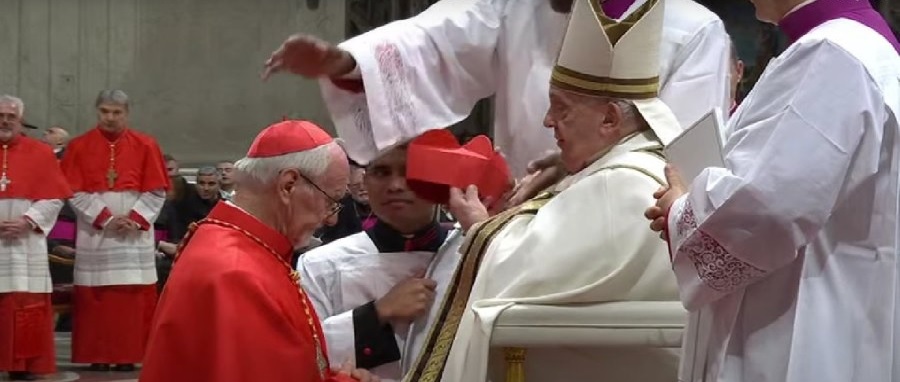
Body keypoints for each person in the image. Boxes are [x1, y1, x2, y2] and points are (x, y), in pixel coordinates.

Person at [362, 2, 681, 382]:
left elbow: (516, 276)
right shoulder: (618, 172)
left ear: (611, 119)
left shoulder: (623, 186)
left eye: (563, 108)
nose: (548, 121)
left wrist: (478, 227)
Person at [643, 0, 900, 382]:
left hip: (804, 351)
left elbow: (771, 206)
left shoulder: (834, 53)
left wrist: (681, 207)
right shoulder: (848, 47)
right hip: (839, 330)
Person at [120, 120, 383, 382]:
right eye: (331, 199)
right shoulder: (234, 268)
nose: (330, 217)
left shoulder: (245, 249)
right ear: (289, 184)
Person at [263, 0, 731, 177]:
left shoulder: (693, 28)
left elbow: (688, 154)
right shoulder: (516, 8)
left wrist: (584, 173)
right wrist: (345, 62)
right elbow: (434, 39)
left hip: (630, 232)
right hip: (520, 214)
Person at [299, 132, 508, 382]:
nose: (395, 185)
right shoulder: (323, 263)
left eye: (410, 173)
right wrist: (375, 314)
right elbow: (301, 357)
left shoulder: (477, 250)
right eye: (381, 172)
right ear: (362, 180)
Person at [61, 90, 169, 372]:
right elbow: (73, 191)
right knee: (96, 298)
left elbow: (157, 191)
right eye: (105, 112)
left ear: (126, 113)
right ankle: (97, 355)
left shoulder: (146, 145)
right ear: (97, 112)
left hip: (133, 235)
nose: (110, 118)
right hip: (96, 233)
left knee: (129, 298)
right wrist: (107, 218)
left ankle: (127, 355)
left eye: (116, 112)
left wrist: (134, 219)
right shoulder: (79, 146)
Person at [0, 95, 72, 382]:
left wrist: (26, 221)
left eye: (10, 117)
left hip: (25, 241)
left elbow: (54, 198)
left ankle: (23, 363)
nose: (5, 121)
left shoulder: (40, 153)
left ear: (21, 121)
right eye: (0, 116)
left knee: (24, 301)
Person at [317, 162, 373, 244]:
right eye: (356, 185)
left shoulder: (384, 205)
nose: (362, 188)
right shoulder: (339, 207)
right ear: (348, 188)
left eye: (365, 184)